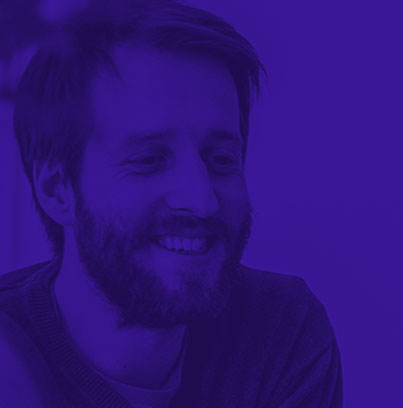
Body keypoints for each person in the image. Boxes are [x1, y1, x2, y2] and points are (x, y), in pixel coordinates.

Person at [0, 1, 343, 406]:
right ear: (57, 189)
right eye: (149, 160)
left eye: (220, 159)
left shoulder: (280, 329)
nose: (202, 201)